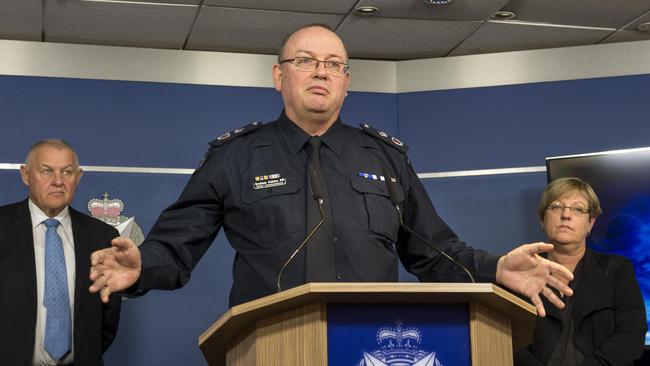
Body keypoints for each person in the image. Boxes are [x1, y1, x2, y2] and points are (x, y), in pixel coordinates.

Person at [89, 24, 573, 317]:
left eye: (333, 64)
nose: (320, 71)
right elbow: (176, 246)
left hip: (374, 345)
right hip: (268, 343)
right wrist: (143, 266)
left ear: (346, 82)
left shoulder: (386, 157)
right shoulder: (234, 156)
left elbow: (433, 250)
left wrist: (495, 269)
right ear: (280, 76)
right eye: (305, 61)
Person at [0, 140, 122, 366]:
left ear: (79, 176)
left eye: (67, 172)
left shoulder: (102, 236)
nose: (58, 181)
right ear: (26, 175)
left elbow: (107, 321)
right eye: (47, 171)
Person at [515, 177, 647, 365]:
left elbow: (631, 335)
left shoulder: (617, 270)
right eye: (556, 206)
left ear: (590, 223)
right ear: (541, 219)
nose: (566, 215)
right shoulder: (518, 275)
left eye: (577, 209)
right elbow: (507, 339)